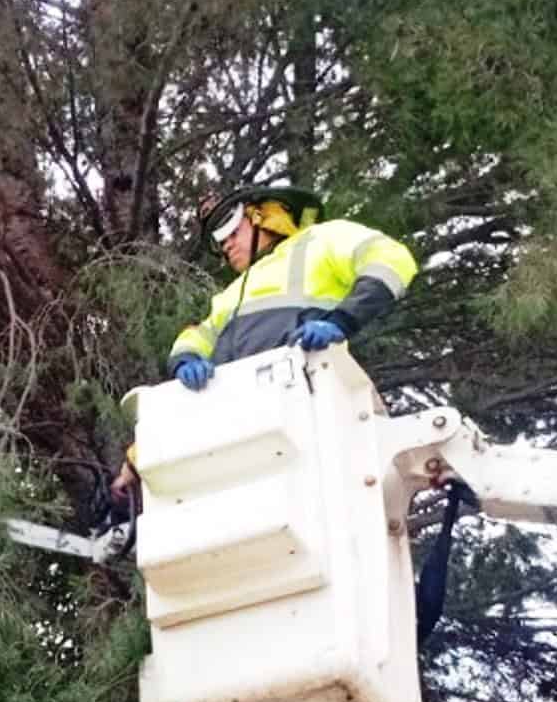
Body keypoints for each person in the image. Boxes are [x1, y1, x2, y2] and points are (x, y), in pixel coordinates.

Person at [110, 185, 418, 498]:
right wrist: (185, 359)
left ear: (263, 217)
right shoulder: (233, 294)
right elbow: (198, 335)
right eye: (220, 242)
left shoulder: (321, 240)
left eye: (231, 231)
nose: (226, 246)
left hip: (311, 400)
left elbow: (390, 260)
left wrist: (342, 320)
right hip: (244, 430)